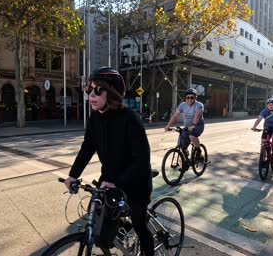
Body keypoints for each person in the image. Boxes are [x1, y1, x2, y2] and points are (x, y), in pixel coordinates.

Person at [63, 67, 154, 255]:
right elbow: (87, 148)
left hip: (135, 182)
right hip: (109, 180)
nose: (91, 95)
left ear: (111, 92)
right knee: (100, 229)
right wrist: (72, 176)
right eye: (89, 90)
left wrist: (117, 182)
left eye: (97, 90)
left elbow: (142, 160)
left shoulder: (130, 118)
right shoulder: (95, 117)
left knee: (139, 225)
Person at [164, 88, 205, 156]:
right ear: (185, 98)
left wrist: (194, 125)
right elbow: (175, 116)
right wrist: (168, 125)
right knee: (181, 145)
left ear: (195, 97)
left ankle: (198, 150)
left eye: (191, 97)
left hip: (198, 126)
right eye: (187, 97)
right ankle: (185, 162)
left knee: (192, 136)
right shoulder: (182, 105)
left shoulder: (199, 105)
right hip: (187, 128)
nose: (189, 99)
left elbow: (197, 115)